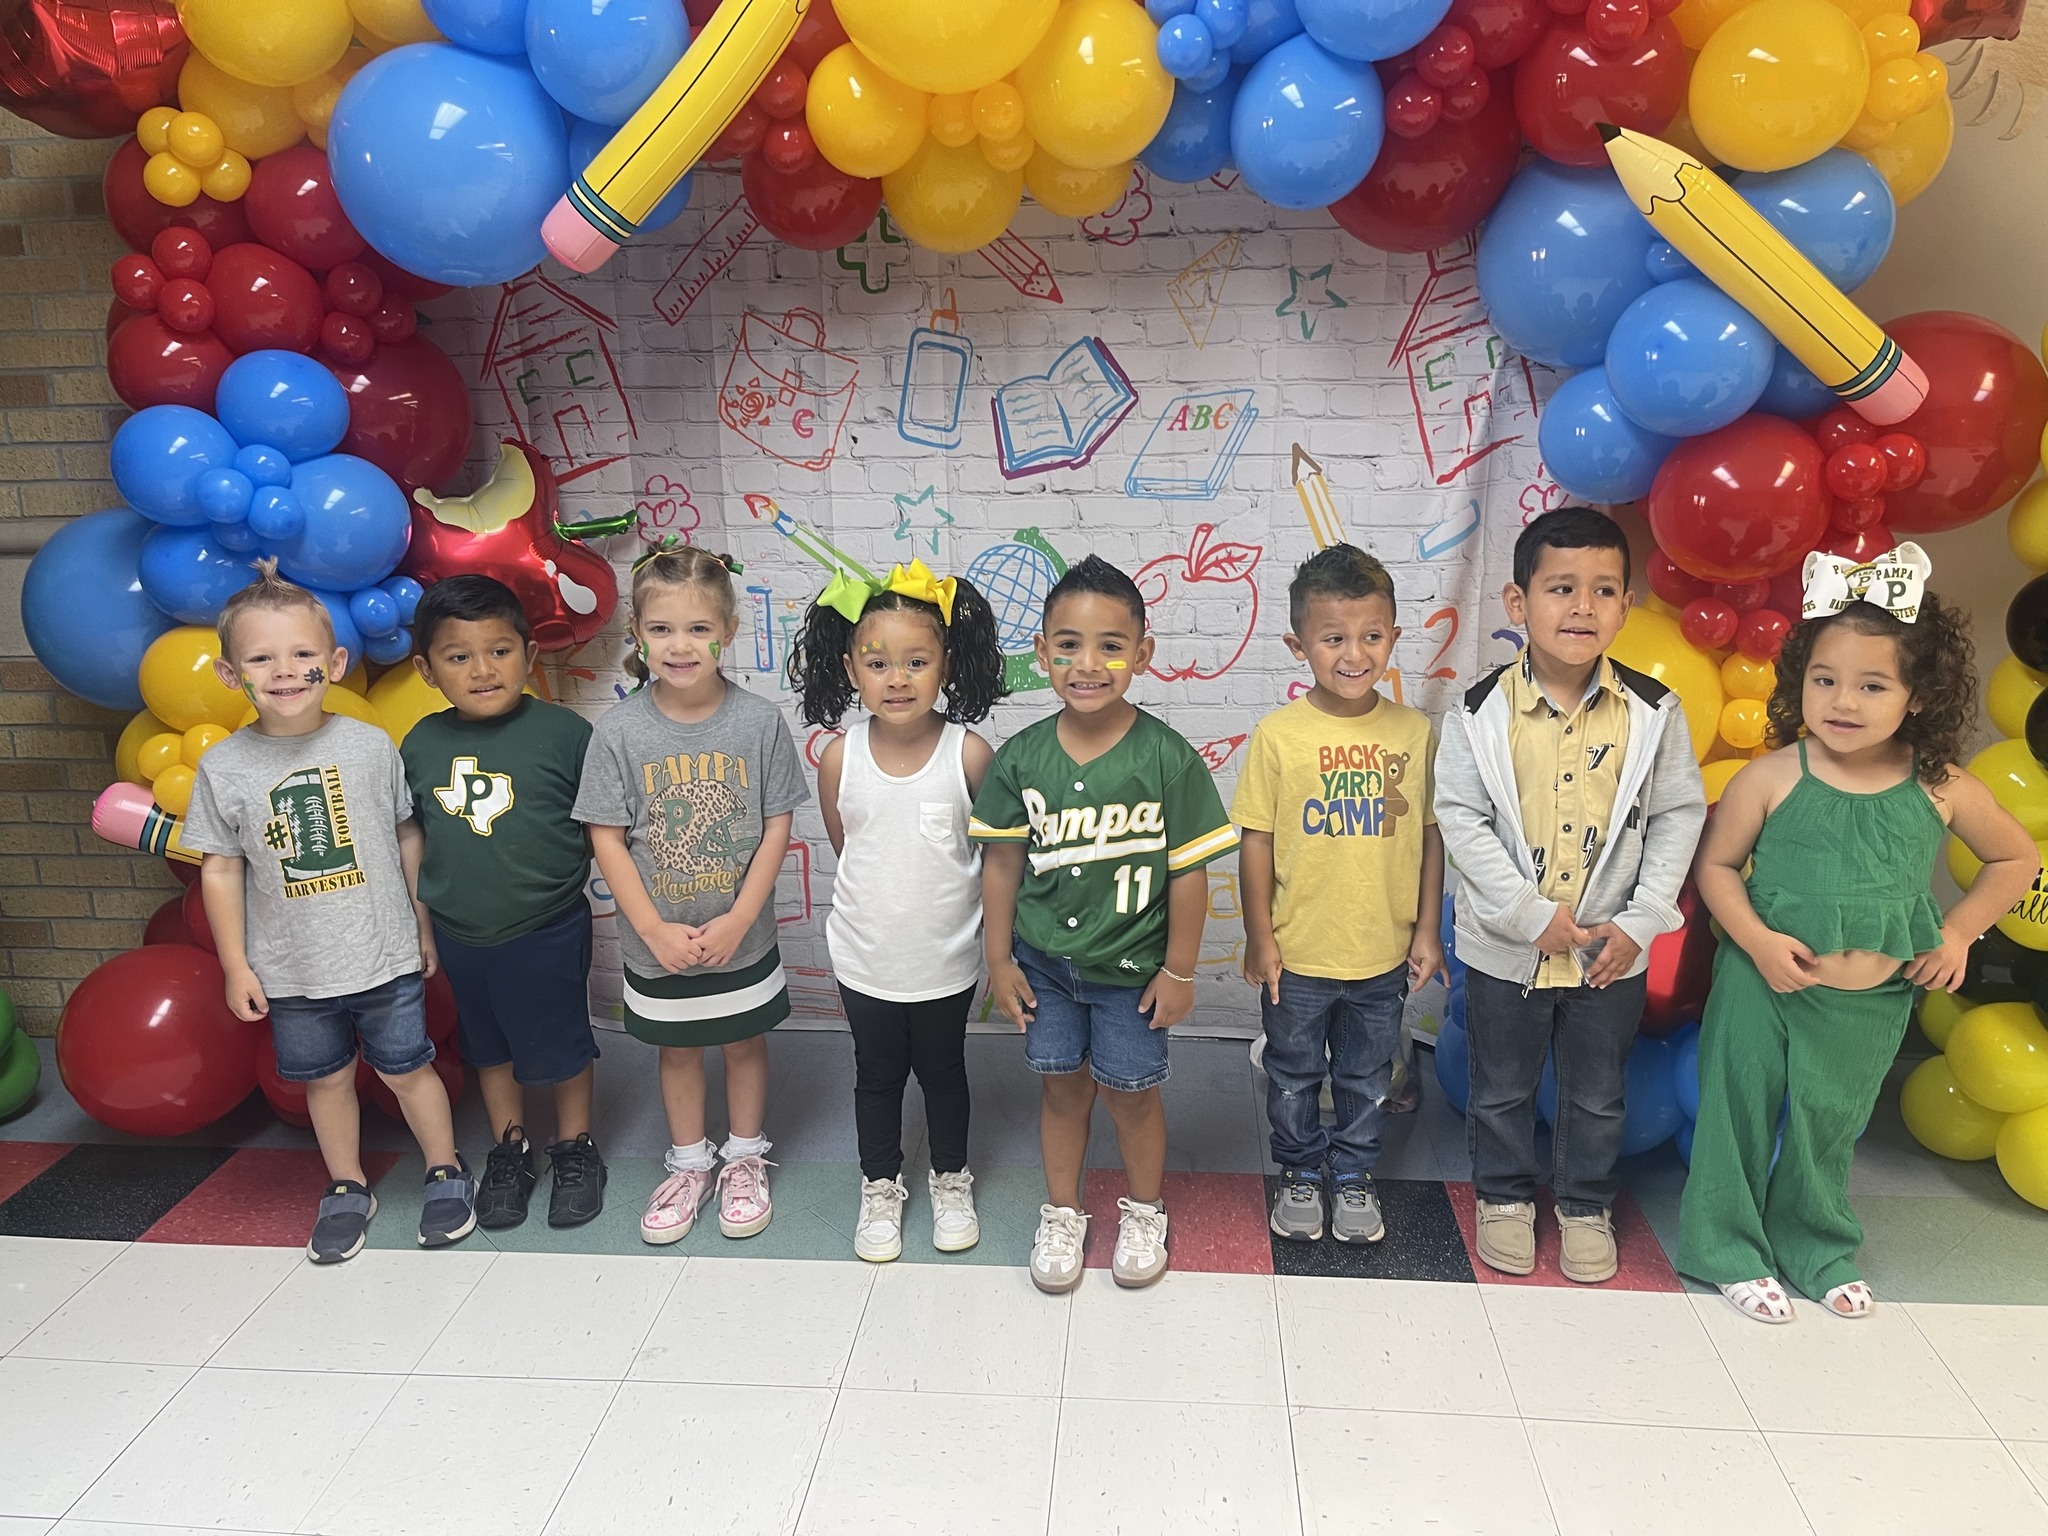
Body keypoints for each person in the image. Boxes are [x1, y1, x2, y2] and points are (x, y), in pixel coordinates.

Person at [1680, 545, 2037, 1322]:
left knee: (1829, 1125)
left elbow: (2017, 856)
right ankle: (1724, 1246)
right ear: (1800, 682)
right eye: (1825, 680)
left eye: (1872, 685)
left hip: (1871, 998)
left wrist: (1958, 933)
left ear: (1916, 696)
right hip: (1763, 984)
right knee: (1736, 1110)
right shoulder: (1771, 777)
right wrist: (1758, 943)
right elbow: (1716, 868)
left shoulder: (1941, 786)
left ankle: (1814, 1244)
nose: (1844, 701)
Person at [1435, 507, 1707, 1283]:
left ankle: (1585, 1205)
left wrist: (1642, 919)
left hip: (1607, 952)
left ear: (1626, 607)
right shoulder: (1479, 712)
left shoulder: (1654, 713)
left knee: (1596, 1093)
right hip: (1507, 949)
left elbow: (1677, 815)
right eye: (1560, 588)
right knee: (1502, 1087)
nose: (1582, 607)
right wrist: (1528, 914)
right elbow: (1459, 814)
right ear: (1519, 605)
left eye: (1603, 590)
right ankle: (1505, 1198)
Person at [184, 561, 473, 1263]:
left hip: (382, 952)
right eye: (261, 658)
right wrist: (235, 964)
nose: (284, 671)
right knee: (326, 1079)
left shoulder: (368, 747)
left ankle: (445, 1170)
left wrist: (421, 920)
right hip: (292, 969)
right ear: (231, 675)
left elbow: (407, 834)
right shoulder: (225, 768)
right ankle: (347, 1185)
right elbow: (221, 869)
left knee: (409, 1068)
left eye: (303, 655)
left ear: (335, 663)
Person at [970, 555, 1239, 1293]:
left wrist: (1180, 970)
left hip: (1134, 976)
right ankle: (1062, 1213)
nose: (1088, 664)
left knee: (1131, 1094)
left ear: (1142, 654)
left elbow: (1191, 872)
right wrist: (999, 960)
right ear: (1042, 654)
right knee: (1060, 1089)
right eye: (1068, 645)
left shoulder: (1166, 758)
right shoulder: (1021, 758)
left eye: (1110, 646)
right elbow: (1000, 868)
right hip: (1047, 970)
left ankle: (1144, 1209)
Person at [575, 546, 807, 1245]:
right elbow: (607, 838)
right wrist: (649, 929)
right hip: (661, 942)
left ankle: (742, 1157)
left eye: (699, 629)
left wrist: (741, 918)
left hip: (741, 935)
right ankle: (688, 1164)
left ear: (729, 632)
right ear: (639, 635)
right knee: (676, 1051)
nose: (681, 646)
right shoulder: (618, 731)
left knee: (742, 1042)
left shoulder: (759, 723)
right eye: (664, 629)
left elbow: (776, 826)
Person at [789, 558, 1006, 1262]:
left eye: (917, 661)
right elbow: (846, 840)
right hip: (865, 958)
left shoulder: (969, 754)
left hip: (946, 959)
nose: (898, 678)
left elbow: (996, 860)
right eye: (878, 662)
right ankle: (879, 1186)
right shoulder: (837, 758)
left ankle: (950, 1178)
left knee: (944, 1072)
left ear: (946, 665)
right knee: (876, 1075)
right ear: (851, 669)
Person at [1235, 545, 1446, 1246]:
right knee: (1293, 1074)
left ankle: (1353, 1177)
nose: (1354, 654)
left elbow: (1432, 835)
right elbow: (1257, 840)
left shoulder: (1413, 733)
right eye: (1334, 638)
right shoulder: (1279, 736)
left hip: (1380, 951)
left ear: (1391, 637)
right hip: (1297, 954)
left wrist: (1425, 932)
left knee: (1365, 1075)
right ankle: (1300, 1172)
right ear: (1300, 644)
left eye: (1371, 636)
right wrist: (1261, 937)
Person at [402, 574, 605, 1231]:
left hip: (548, 925)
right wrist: (423, 928)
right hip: (463, 932)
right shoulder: (420, 745)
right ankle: (511, 1149)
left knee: (563, 1043)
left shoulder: (565, 734)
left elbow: (605, 830)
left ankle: (575, 1148)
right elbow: (413, 840)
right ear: (426, 670)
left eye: (499, 650)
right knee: (488, 1048)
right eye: (458, 656)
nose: (482, 669)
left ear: (529, 653)